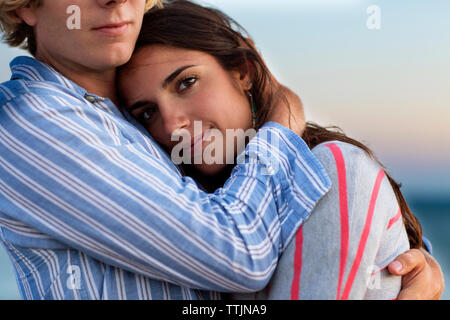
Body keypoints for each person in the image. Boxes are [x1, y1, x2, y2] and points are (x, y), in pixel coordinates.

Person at [0, 0, 443, 300]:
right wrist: (283, 121)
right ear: (24, 5)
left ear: (243, 71)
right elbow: (239, 253)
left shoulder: (129, 131)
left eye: (186, 84)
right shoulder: (36, 121)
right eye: (148, 111)